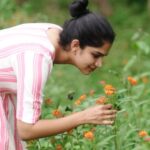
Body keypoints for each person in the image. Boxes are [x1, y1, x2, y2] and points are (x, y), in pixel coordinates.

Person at [0, 0, 116, 149]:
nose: (99, 64)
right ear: (75, 45)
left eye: (102, 57)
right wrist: (84, 116)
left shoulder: (54, 33)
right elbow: (26, 130)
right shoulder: (38, 58)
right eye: (95, 55)